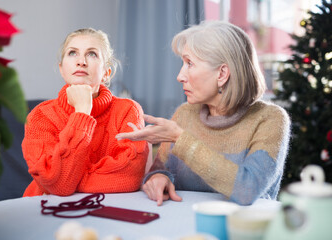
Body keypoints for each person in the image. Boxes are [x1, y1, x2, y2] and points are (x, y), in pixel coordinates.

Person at [116, 20, 291, 206]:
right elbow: (160, 169)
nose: (180, 76)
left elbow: (247, 189)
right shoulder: (185, 114)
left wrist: (180, 139)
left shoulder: (270, 119)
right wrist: (158, 178)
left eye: (190, 63)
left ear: (222, 74)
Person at [22, 28, 149, 197]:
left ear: (106, 72)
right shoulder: (40, 116)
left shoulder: (128, 111)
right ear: (62, 69)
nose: (81, 61)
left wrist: (70, 180)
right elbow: (57, 184)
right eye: (72, 53)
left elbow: (129, 176)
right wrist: (82, 113)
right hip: (44, 211)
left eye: (92, 54)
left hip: (106, 211)